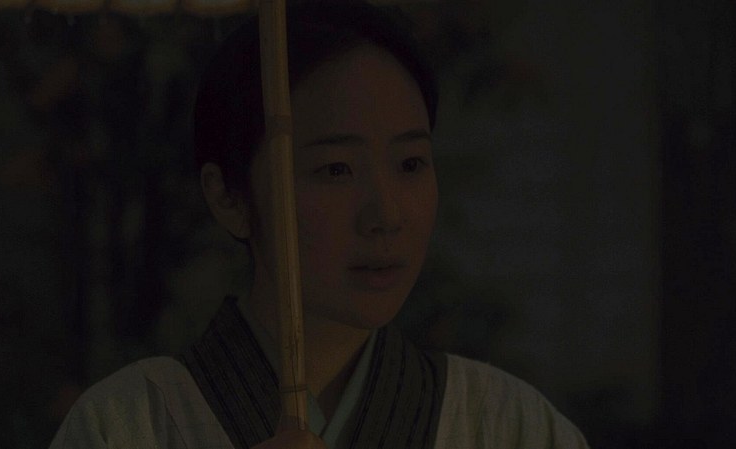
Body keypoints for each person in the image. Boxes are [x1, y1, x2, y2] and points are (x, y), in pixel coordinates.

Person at [48, 3, 590, 448]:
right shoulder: (128, 426)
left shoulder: (508, 426)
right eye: (335, 170)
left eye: (410, 164)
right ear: (228, 197)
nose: (385, 216)